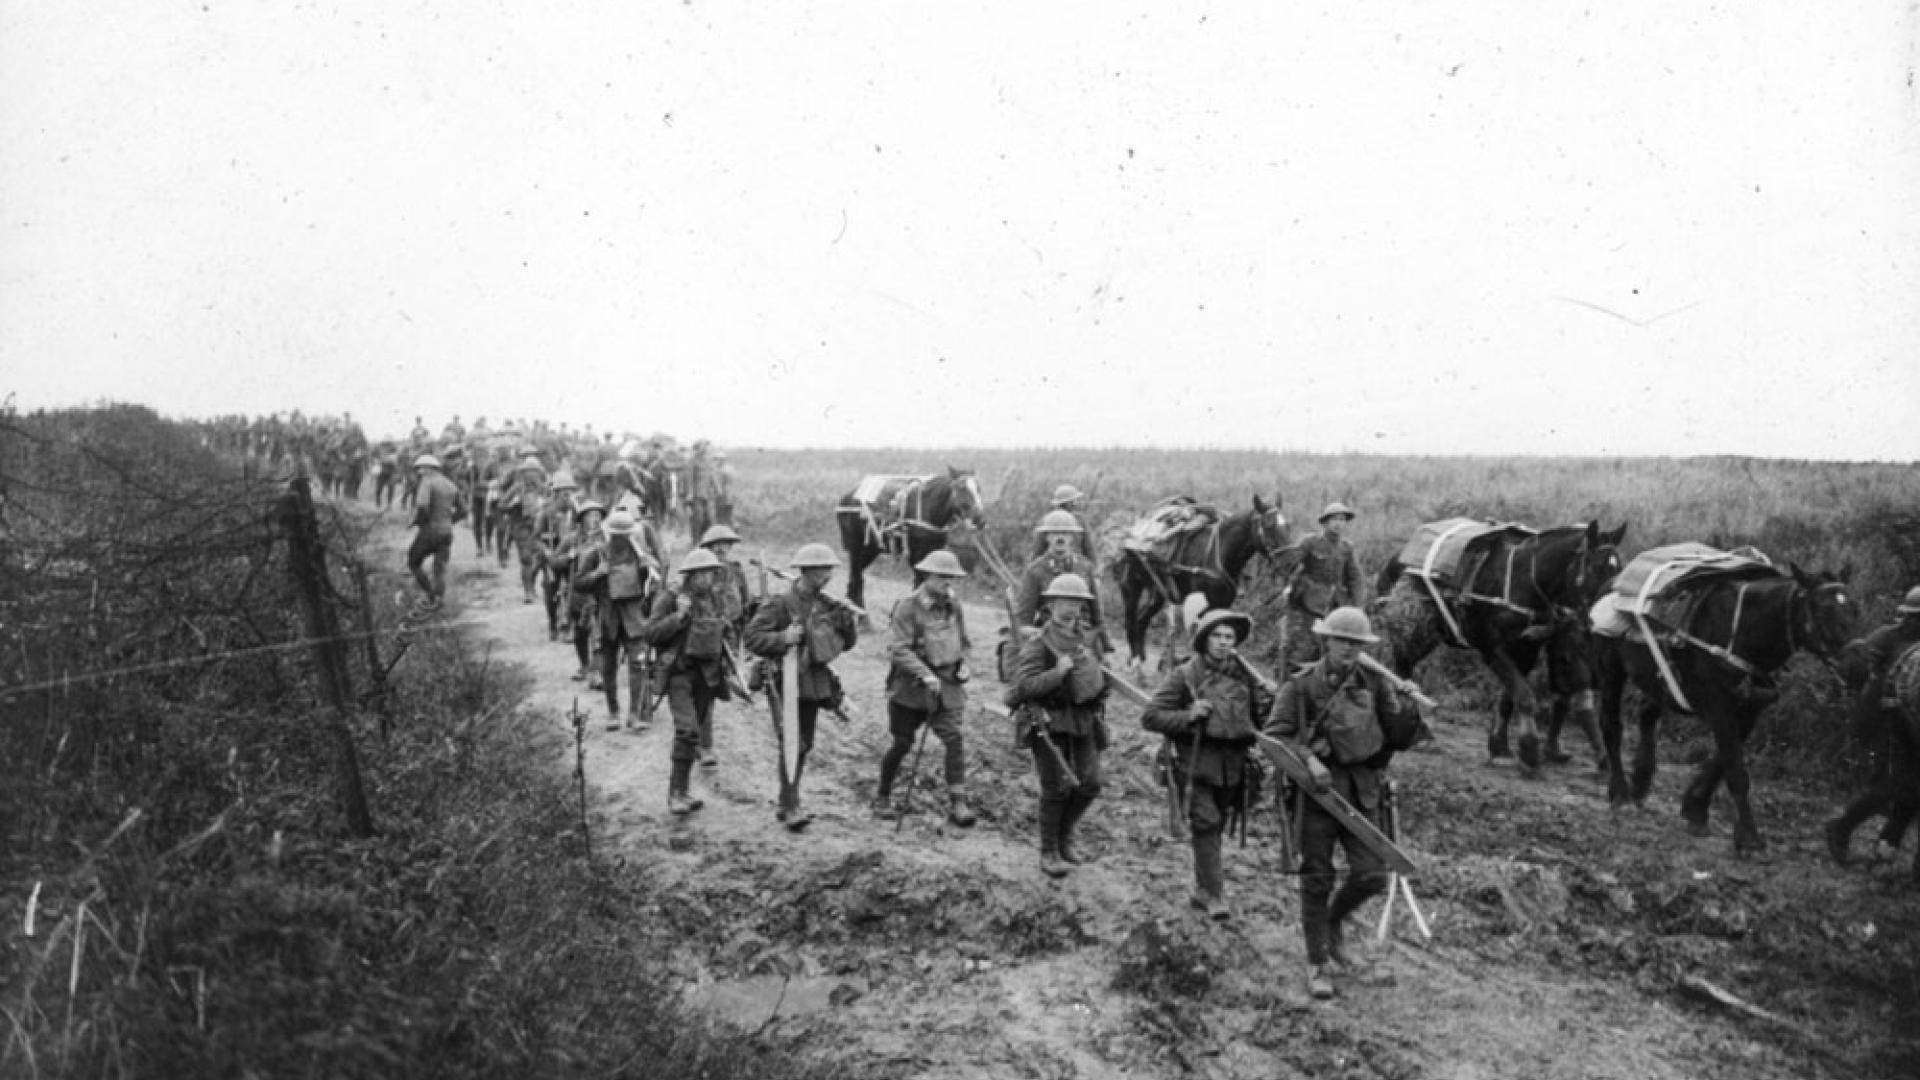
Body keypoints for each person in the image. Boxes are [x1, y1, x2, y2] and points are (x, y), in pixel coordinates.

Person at [1268, 606, 1416, 1000]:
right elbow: (1275, 737)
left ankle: (1331, 923)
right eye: (1342, 641)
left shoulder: (1376, 683)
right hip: (1316, 795)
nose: (1349, 649)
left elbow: (1397, 737)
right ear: (1326, 641)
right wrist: (1310, 760)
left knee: (1371, 874)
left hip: (1363, 789)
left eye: (1357, 643)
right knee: (1317, 879)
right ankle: (1317, 962)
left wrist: (1408, 705)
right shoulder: (1300, 686)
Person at [1140, 609, 1274, 920]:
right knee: (1207, 823)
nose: (1223, 642)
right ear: (1204, 639)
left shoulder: (1246, 676)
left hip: (1235, 766)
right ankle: (1214, 894)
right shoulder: (1186, 674)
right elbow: (1150, 717)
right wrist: (1189, 715)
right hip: (1195, 763)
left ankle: (1202, 888)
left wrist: (1271, 699)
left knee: (1215, 824)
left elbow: (1263, 723)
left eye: (1229, 637)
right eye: (1216, 635)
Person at [744, 542, 858, 830]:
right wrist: (783, 638)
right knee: (793, 741)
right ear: (807, 571)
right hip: (783, 679)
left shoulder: (827, 604)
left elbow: (844, 645)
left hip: (812, 681)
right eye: (823, 570)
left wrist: (847, 625)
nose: (828, 576)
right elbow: (752, 638)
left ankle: (786, 801)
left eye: (830, 570)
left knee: (804, 744)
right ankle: (792, 804)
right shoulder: (779, 604)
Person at [1008, 573, 1109, 877]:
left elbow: (1103, 680)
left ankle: (1065, 838)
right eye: (1064, 600)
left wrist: (1095, 681)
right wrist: (1058, 673)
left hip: (1083, 720)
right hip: (1048, 721)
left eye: (1077, 601)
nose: (1071, 607)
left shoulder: (1089, 640)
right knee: (1056, 788)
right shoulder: (1038, 643)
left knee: (1090, 783)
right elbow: (1022, 687)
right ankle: (1049, 851)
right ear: (1050, 604)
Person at [875, 550, 978, 827]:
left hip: (948, 686)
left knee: (954, 739)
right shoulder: (907, 607)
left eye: (952, 578)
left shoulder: (954, 606)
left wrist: (963, 665)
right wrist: (925, 674)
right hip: (911, 689)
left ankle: (959, 802)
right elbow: (898, 650)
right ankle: (882, 795)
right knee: (902, 743)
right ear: (926, 575)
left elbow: (964, 642)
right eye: (943, 577)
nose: (948, 583)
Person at [1825, 585, 1920, 865]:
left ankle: (1886, 848)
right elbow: (1853, 670)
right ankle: (1840, 828)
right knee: (1886, 789)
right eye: (1914, 618)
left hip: (1908, 724)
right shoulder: (1886, 639)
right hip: (1883, 722)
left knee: (1912, 788)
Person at [643, 547, 734, 818]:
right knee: (687, 731)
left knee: (694, 737)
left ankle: (684, 790)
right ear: (691, 576)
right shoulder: (672, 598)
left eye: (712, 573)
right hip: (679, 674)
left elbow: (725, 630)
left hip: (708, 676)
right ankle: (675, 794)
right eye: (702, 573)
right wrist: (678, 617)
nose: (708, 579)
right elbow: (650, 633)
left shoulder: (716, 599)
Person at [572, 509, 662, 731]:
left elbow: (656, 583)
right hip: (607, 617)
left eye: (625, 535)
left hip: (633, 619)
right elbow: (579, 583)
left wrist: (648, 572)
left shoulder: (639, 553)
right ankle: (613, 712)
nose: (621, 540)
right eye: (617, 535)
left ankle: (634, 714)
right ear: (609, 534)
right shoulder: (597, 553)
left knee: (638, 665)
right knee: (608, 666)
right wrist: (598, 574)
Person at [695, 524, 756, 768]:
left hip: (731, 635)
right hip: (707, 637)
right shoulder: (700, 572)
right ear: (707, 547)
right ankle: (704, 745)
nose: (721, 549)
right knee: (705, 689)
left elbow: (745, 602)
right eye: (715, 545)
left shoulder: (736, 570)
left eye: (725, 544)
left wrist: (747, 633)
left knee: (726, 683)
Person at [1282, 502, 1366, 673]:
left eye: (1342, 520)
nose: (1338, 523)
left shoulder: (1346, 547)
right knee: (1300, 646)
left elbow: (1355, 578)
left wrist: (1358, 607)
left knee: (1328, 647)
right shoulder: (1310, 542)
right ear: (1325, 523)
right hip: (1307, 603)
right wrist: (1290, 585)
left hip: (1333, 605)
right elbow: (1289, 564)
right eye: (1334, 519)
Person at [1014, 510, 1104, 631]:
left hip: (1082, 634)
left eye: (1065, 533)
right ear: (1047, 537)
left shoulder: (1085, 567)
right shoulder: (1035, 571)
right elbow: (1023, 619)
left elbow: (1096, 612)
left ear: (1072, 537)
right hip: (1048, 634)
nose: (1060, 537)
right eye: (1055, 533)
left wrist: (1100, 635)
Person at [406, 454, 465, 609]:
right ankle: (438, 599)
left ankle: (430, 596)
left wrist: (420, 521)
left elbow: (422, 506)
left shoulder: (427, 482)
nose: (419, 473)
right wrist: (448, 521)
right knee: (440, 568)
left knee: (413, 562)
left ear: (428, 469)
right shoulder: (450, 484)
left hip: (430, 531)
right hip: (446, 532)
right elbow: (463, 510)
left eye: (420, 469)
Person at [562, 500, 606, 682]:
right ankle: (584, 665)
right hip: (578, 592)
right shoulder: (572, 539)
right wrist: (567, 557)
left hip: (597, 595)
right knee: (580, 632)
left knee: (598, 632)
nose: (595, 519)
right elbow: (554, 561)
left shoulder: (607, 538)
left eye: (598, 515)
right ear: (581, 519)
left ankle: (597, 673)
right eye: (590, 515)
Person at [498, 449, 548, 603]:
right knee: (526, 558)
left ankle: (532, 582)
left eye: (534, 472)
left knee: (543, 558)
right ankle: (528, 591)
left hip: (540, 528)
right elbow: (501, 504)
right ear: (523, 473)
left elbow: (554, 505)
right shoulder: (517, 488)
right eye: (528, 472)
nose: (531, 475)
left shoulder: (545, 489)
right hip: (521, 526)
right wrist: (514, 505)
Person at [535, 472, 580, 641]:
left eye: (569, 492)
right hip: (551, 556)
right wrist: (545, 552)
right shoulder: (546, 512)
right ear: (555, 493)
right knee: (550, 586)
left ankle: (569, 625)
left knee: (575, 588)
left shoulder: (576, 511)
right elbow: (536, 537)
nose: (566, 496)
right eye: (563, 492)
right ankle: (553, 623)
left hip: (572, 555)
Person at [1033, 484, 1098, 562]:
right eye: (1073, 501)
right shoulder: (1047, 521)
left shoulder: (1080, 520)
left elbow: (1089, 548)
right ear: (1066, 502)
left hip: (1075, 564)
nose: (1076, 503)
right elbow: (1038, 550)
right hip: (1053, 565)